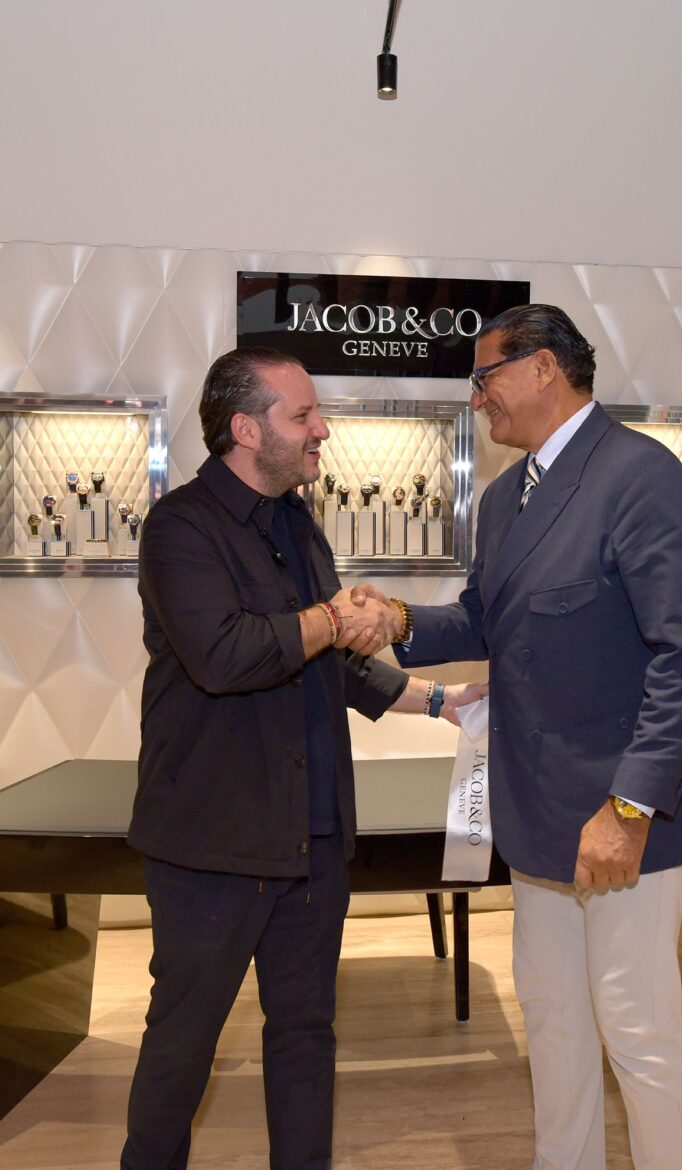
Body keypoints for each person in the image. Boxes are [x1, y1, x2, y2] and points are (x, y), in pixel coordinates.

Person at [367, 304, 682, 1170]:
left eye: (484, 377)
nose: (476, 399)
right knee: (554, 1015)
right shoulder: (506, 498)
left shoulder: (643, 478)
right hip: (540, 815)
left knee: (636, 1026)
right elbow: (485, 619)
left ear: (543, 369)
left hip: (624, 819)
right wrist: (395, 620)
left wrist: (629, 808)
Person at [121, 346, 484, 1170]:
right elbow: (225, 655)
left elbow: (334, 663)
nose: (323, 429)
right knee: (183, 1045)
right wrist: (333, 615)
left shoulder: (299, 522)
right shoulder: (180, 527)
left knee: (305, 1036)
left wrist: (441, 701)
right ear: (247, 430)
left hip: (313, 843)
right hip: (212, 846)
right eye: (303, 415)